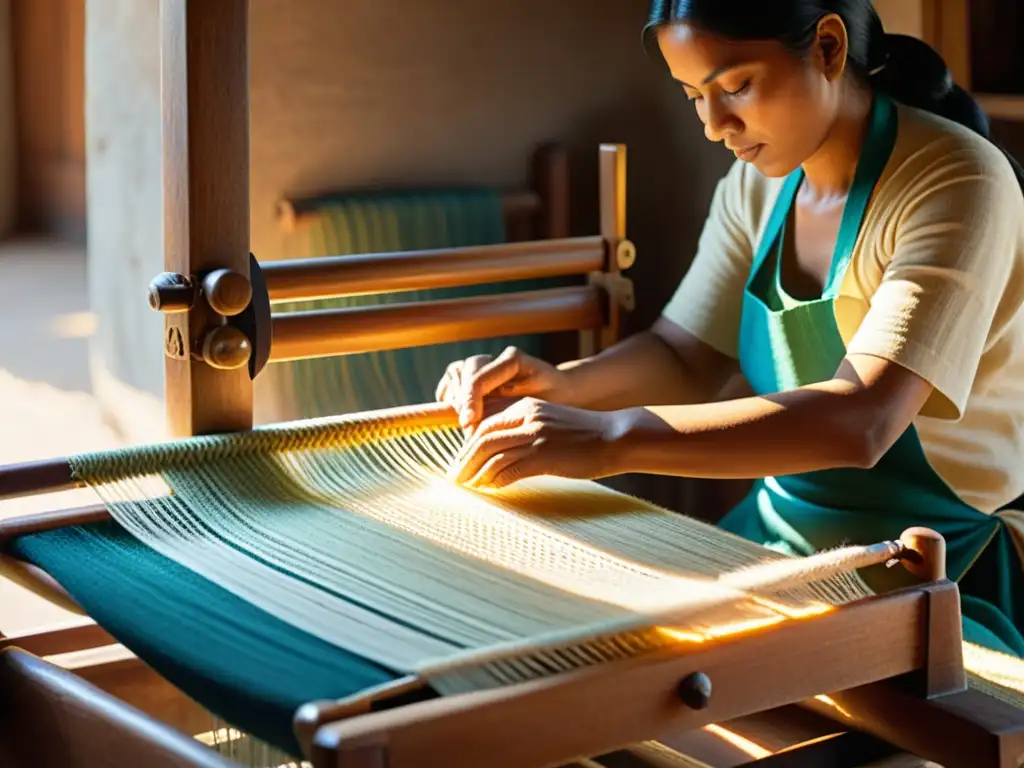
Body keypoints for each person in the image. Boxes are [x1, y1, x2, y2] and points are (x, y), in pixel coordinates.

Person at [435, 0, 1024, 657]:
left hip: (938, 569)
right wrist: (560, 387)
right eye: (694, 96)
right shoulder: (756, 187)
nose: (715, 125)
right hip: (780, 546)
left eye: (736, 86)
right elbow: (685, 353)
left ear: (829, 48)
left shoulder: (958, 178)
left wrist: (612, 438)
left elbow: (865, 419)